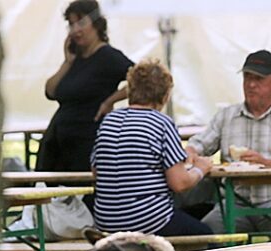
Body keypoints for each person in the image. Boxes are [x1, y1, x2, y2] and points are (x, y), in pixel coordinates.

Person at [186, 50, 271, 239]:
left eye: (258, 79)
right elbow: (197, 145)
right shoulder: (227, 116)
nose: (250, 85)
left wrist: (268, 163)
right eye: (247, 77)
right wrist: (190, 152)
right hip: (236, 201)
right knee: (208, 232)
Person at [90, 60, 213, 236]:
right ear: (165, 96)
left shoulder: (108, 121)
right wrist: (201, 168)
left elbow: (96, 171)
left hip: (106, 221)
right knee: (208, 237)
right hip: (148, 221)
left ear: (130, 89)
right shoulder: (161, 123)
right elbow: (179, 183)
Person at [36, 0, 134, 173]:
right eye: (71, 24)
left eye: (81, 23)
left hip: (86, 142)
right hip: (59, 141)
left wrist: (110, 101)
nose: (75, 30)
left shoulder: (108, 57)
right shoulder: (76, 58)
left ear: (95, 23)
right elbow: (50, 91)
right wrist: (67, 63)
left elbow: (143, 77)